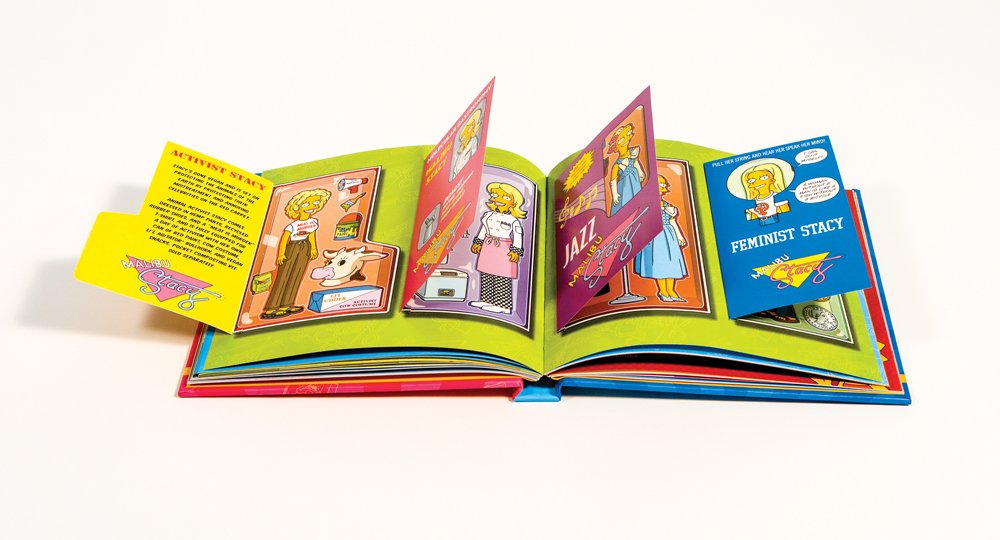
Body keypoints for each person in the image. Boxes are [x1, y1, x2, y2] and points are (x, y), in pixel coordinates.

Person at [261, 188, 331, 319]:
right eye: (306, 204)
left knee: (297, 275)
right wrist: (281, 254)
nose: (311, 207)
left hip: (305, 247)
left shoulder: (313, 222)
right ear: (297, 207)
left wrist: (313, 248)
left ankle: (286, 304)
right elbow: (284, 240)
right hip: (292, 248)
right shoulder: (292, 225)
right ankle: (271, 308)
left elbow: (311, 235)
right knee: (284, 276)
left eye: (316, 203)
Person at [470, 182, 527, 314]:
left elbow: (518, 236)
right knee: (486, 272)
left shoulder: (513, 220)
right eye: (495, 195)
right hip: (488, 245)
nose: (498, 200)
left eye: (505, 197)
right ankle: (487, 300)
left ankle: (503, 306)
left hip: (503, 248)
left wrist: (515, 251)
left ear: (513, 202)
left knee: (502, 275)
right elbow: (483, 230)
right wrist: (478, 242)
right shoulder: (488, 216)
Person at [634, 175, 688, 302]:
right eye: (660, 186)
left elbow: (673, 221)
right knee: (659, 264)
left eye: (663, 186)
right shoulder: (647, 204)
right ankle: (663, 291)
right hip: (655, 237)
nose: (662, 189)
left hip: (669, 236)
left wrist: (679, 236)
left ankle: (671, 291)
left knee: (672, 263)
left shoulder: (668, 205)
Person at [606, 122, 646, 216]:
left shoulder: (633, 152)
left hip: (635, 181)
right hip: (624, 187)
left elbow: (635, 162)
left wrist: (640, 172)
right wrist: (615, 195)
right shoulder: (617, 165)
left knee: (638, 200)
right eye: (620, 141)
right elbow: (613, 181)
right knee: (625, 205)